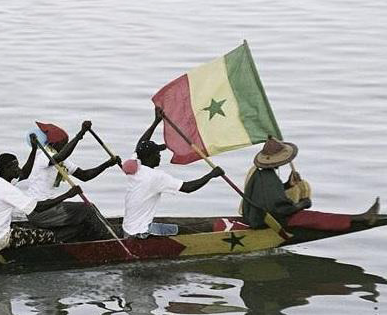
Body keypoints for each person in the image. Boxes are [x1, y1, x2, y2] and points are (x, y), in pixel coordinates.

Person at [122, 108, 224, 238]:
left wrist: (156, 121)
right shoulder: (155, 177)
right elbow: (188, 188)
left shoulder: (135, 166)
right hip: (141, 233)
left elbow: (140, 145)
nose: (159, 156)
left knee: (174, 227)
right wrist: (211, 175)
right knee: (182, 230)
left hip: (128, 229)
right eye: (157, 154)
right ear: (149, 157)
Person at [241, 137, 379, 230]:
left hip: (258, 216)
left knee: (315, 216)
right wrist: (302, 204)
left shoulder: (260, 174)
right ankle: (361, 218)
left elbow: (267, 196)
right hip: (269, 221)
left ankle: (357, 217)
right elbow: (280, 209)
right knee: (316, 217)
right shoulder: (269, 179)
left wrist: (288, 185)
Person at [25, 121, 121, 242]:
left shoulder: (60, 159)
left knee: (88, 214)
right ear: (54, 144)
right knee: (87, 209)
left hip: (50, 206)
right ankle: (112, 238)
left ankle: (105, 235)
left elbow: (85, 175)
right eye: (64, 144)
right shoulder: (44, 155)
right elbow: (60, 157)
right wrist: (80, 134)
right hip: (38, 211)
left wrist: (107, 164)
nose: (65, 147)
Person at [0, 153, 84, 251]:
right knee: (50, 235)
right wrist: (67, 195)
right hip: (0, 240)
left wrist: (33, 149)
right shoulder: (7, 189)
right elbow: (38, 208)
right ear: (6, 168)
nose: (19, 169)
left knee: (26, 229)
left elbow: (24, 174)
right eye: (16, 167)